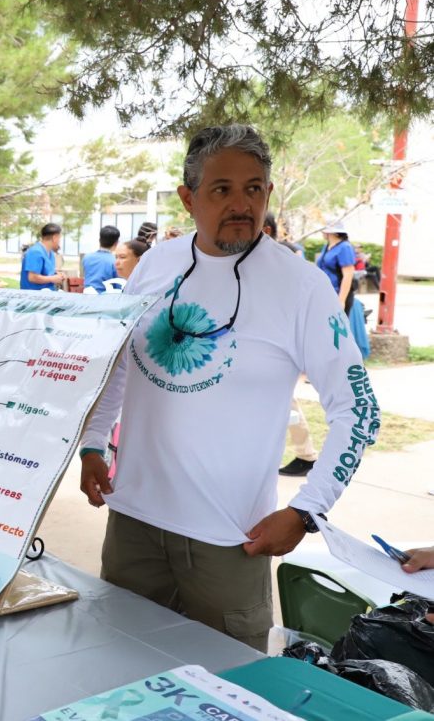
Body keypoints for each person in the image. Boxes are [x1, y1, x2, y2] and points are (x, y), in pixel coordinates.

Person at [77, 124, 377, 651]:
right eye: (222, 190)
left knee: (232, 684)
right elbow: (121, 361)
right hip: (134, 524)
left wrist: (307, 511)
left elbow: (359, 411)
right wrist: (93, 443)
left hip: (231, 541)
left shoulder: (301, 286)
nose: (242, 204)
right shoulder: (157, 264)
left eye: (254, 188)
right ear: (188, 198)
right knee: (117, 665)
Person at [263, 213, 319, 477]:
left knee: (284, 400)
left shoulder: (281, 258)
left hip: (280, 342)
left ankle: (306, 455)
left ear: (265, 229)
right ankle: (306, 454)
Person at [317, 222, 357, 314]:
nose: (322, 232)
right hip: (326, 292)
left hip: (337, 293)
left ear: (334, 233)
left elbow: (348, 275)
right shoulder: (327, 246)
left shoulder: (345, 247)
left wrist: (341, 300)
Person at [19, 223, 65, 290]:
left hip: (48, 291)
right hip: (34, 294)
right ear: (55, 238)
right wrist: (52, 278)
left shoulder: (50, 253)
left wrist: (57, 275)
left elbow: (46, 273)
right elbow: (32, 277)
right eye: (59, 238)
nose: (59, 241)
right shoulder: (35, 252)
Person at [81, 225, 121, 293]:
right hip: (107, 297)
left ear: (99, 240)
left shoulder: (87, 258)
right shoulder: (115, 261)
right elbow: (119, 285)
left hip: (87, 295)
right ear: (116, 243)